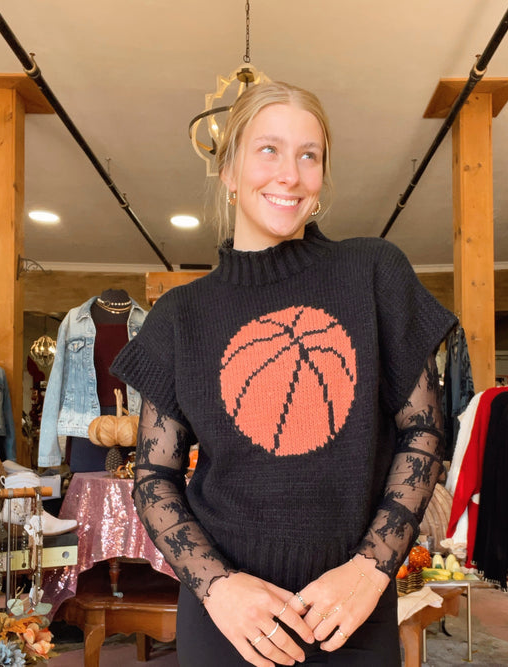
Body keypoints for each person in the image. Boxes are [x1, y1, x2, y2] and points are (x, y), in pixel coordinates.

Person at [111, 81, 456, 667]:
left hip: (350, 608)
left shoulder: (373, 272)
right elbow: (153, 477)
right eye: (268, 149)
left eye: (309, 155)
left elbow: (422, 432)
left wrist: (371, 569)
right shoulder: (180, 316)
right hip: (230, 615)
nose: (290, 175)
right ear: (228, 170)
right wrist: (218, 587)